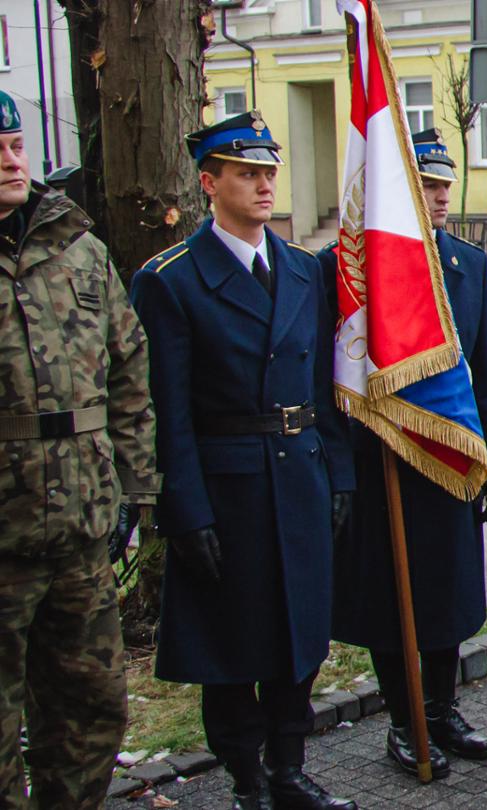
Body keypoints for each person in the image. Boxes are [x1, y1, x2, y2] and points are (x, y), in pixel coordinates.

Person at [131, 110, 357, 810]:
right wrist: (184, 508)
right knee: (233, 645)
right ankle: (248, 781)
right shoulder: (170, 279)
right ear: (209, 182)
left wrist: (340, 473)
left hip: (299, 472)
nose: (263, 186)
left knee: (299, 638)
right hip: (227, 485)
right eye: (246, 174)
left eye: (268, 173)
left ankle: (289, 770)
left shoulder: (301, 269)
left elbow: (327, 382)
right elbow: (166, 411)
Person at [324, 129, 487, 778]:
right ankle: (404, 722)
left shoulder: (467, 264)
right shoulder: (350, 266)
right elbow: (336, 375)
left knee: (451, 595)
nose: (440, 195)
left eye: (444, 183)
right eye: (426, 185)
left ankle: (442, 709)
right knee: (391, 597)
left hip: (449, 459)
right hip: (383, 461)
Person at [0, 90, 155, 808]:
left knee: (91, 709)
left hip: (83, 525)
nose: (9, 158)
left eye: (15, 143)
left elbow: (127, 371)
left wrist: (137, 486)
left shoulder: (80, 250)